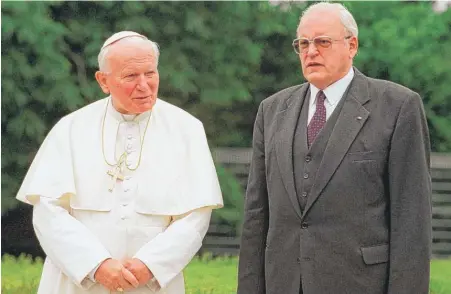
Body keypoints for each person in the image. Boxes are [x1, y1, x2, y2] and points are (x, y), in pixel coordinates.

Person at [237, 3, 431, 294]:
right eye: (303, 43)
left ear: (352, 45)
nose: (311, 51)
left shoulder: (398, 106)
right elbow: (256, 215)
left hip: (360, 284)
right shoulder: (272, 110)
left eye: (322, 42)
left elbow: (412, 219)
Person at [16, 31, 223, 294]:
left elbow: (196, 215)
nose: (144, 85)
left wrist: (150, 264)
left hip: (150, 283)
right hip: (77, 281)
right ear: (103, 80)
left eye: (150, 73)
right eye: (131, 76)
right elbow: (47, 210)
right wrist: (96, 265)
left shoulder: (187, 129)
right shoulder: (70, 128)